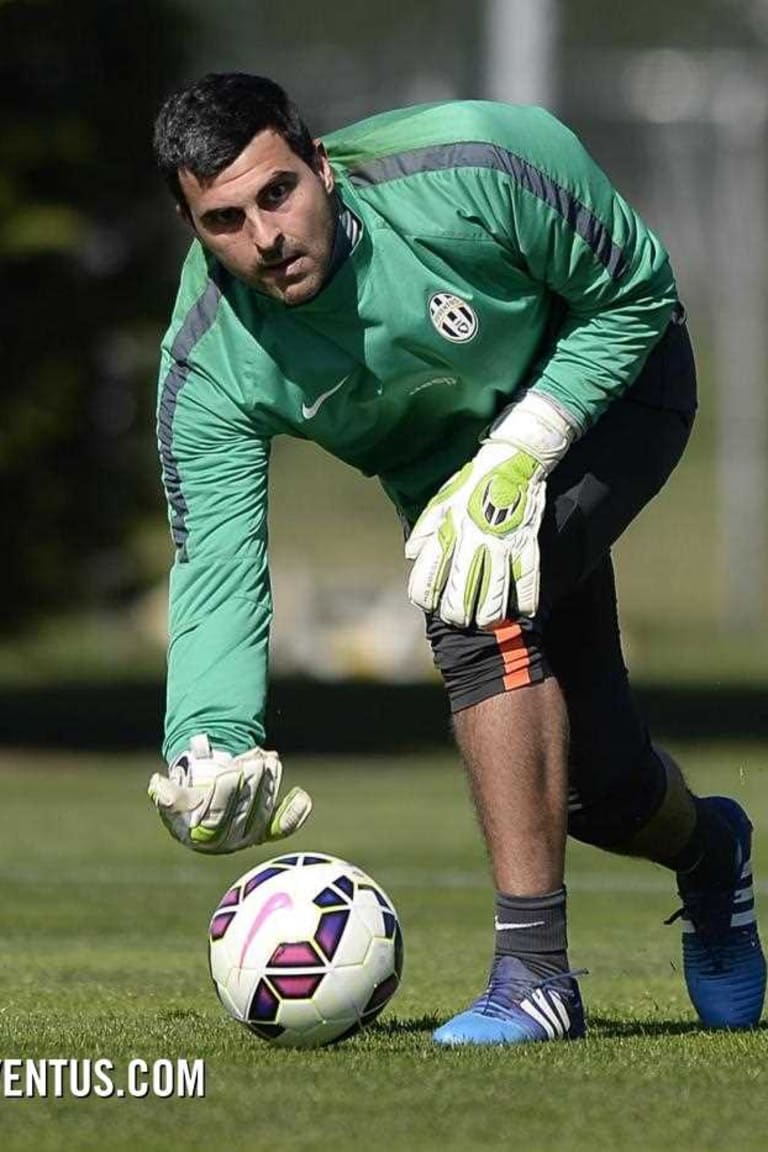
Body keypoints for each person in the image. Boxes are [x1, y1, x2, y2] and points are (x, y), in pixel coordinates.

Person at [147, 72, 765, 1044]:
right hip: (454, 487)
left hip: (613, 390)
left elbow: (635, 294)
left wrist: (522, 452)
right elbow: (217, 557)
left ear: (320, 165)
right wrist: (209, 742)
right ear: (193, 229)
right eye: (224, 219)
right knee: (594, 792)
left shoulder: (481, 160)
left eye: (278, 193)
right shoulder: (207, 354)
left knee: (469, 600)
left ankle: (534, 976)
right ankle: (713, 849)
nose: (264, 236)